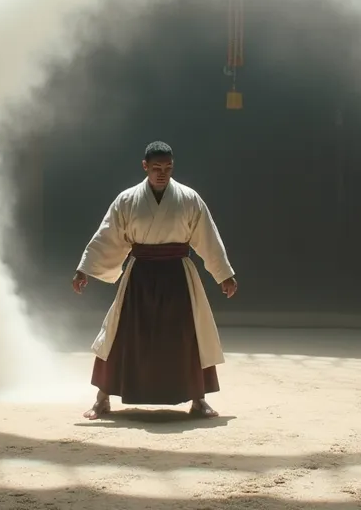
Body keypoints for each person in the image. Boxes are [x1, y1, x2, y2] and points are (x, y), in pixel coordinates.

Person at [72, 141, 238, 420]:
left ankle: (198, 400)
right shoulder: (126, 199)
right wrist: (84, 269)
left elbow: (208, 238)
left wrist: (224, 274)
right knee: (120, 332)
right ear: (145, 167)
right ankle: (102, 399)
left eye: (168, 168)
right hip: (140, 275)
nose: (163, 173)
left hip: (178, 275)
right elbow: (107, 235)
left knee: (188, 334)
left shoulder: (188, 198)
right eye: (157, 168)